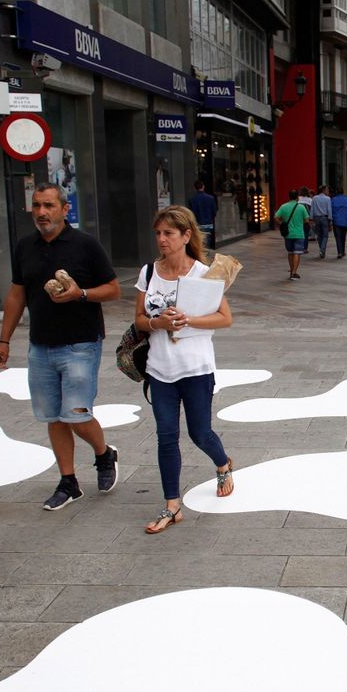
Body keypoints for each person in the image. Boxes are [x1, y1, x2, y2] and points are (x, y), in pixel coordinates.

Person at [0, 183, 123, 511]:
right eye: (36, 206)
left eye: (48, 205)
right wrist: (4, 340)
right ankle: (69, 481)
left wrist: (80, 294)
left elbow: (113, 290)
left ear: (65, 210)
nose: (41, 213)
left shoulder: (86, 245)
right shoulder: (25, 247)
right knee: (54, 417)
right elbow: (16, 295)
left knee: (77, 415)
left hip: (81, 343)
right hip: (41, 347)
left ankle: (104, 454)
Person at [132, 205, 234, 534]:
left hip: (196, 368)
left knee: (200, 432)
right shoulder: (149, 272)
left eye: (169, 234)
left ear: (186, 236)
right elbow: (138, 320)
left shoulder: (204, 275)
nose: (161, 239)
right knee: (166, 437)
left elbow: (224, 318)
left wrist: (188, 320)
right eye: (158, 233)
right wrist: (156, 322)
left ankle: (223, 463)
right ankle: (171, 505)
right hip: (160, 369)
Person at [275, 188, 311, 281]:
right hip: (299, 233)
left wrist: (281, 223)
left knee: (290, 253)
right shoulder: (301, 207)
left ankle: (291, 271)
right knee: (297, 253)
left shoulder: (283, 206)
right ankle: (294, 273)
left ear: (289, 196)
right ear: (297, 198)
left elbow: (276, 217)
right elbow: (307, 220)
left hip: (288, 234)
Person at [189, 180, 217, 249]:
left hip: (197, 223)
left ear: (195, 188)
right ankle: (205, 254)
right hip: (208, 223)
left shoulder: (192, 199)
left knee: (199, 241)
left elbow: (191, 213)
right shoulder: (211, 198)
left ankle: (201, 254)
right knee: (207, 241)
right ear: (203, 187)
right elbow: (214, 212)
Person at [330, 183, 347, 258]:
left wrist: (330, 220)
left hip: (336, 221)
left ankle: (339, 252)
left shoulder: (333, 200)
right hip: (345, 221)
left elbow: (330, 210)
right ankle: (343, 250)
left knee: (338, 237)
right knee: (343, 237)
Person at [309, 184, 333, 259]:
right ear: (324, 190)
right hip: (324, 218)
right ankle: (322, 250)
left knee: (319, 235)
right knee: (325, 235)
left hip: (316, 218)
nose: (328, 191)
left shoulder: (315, 198)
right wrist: (330, 220)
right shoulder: (328, 199)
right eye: (327, 190)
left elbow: (312, 209)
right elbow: (329, 210)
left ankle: (321, 250)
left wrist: (311, 218)